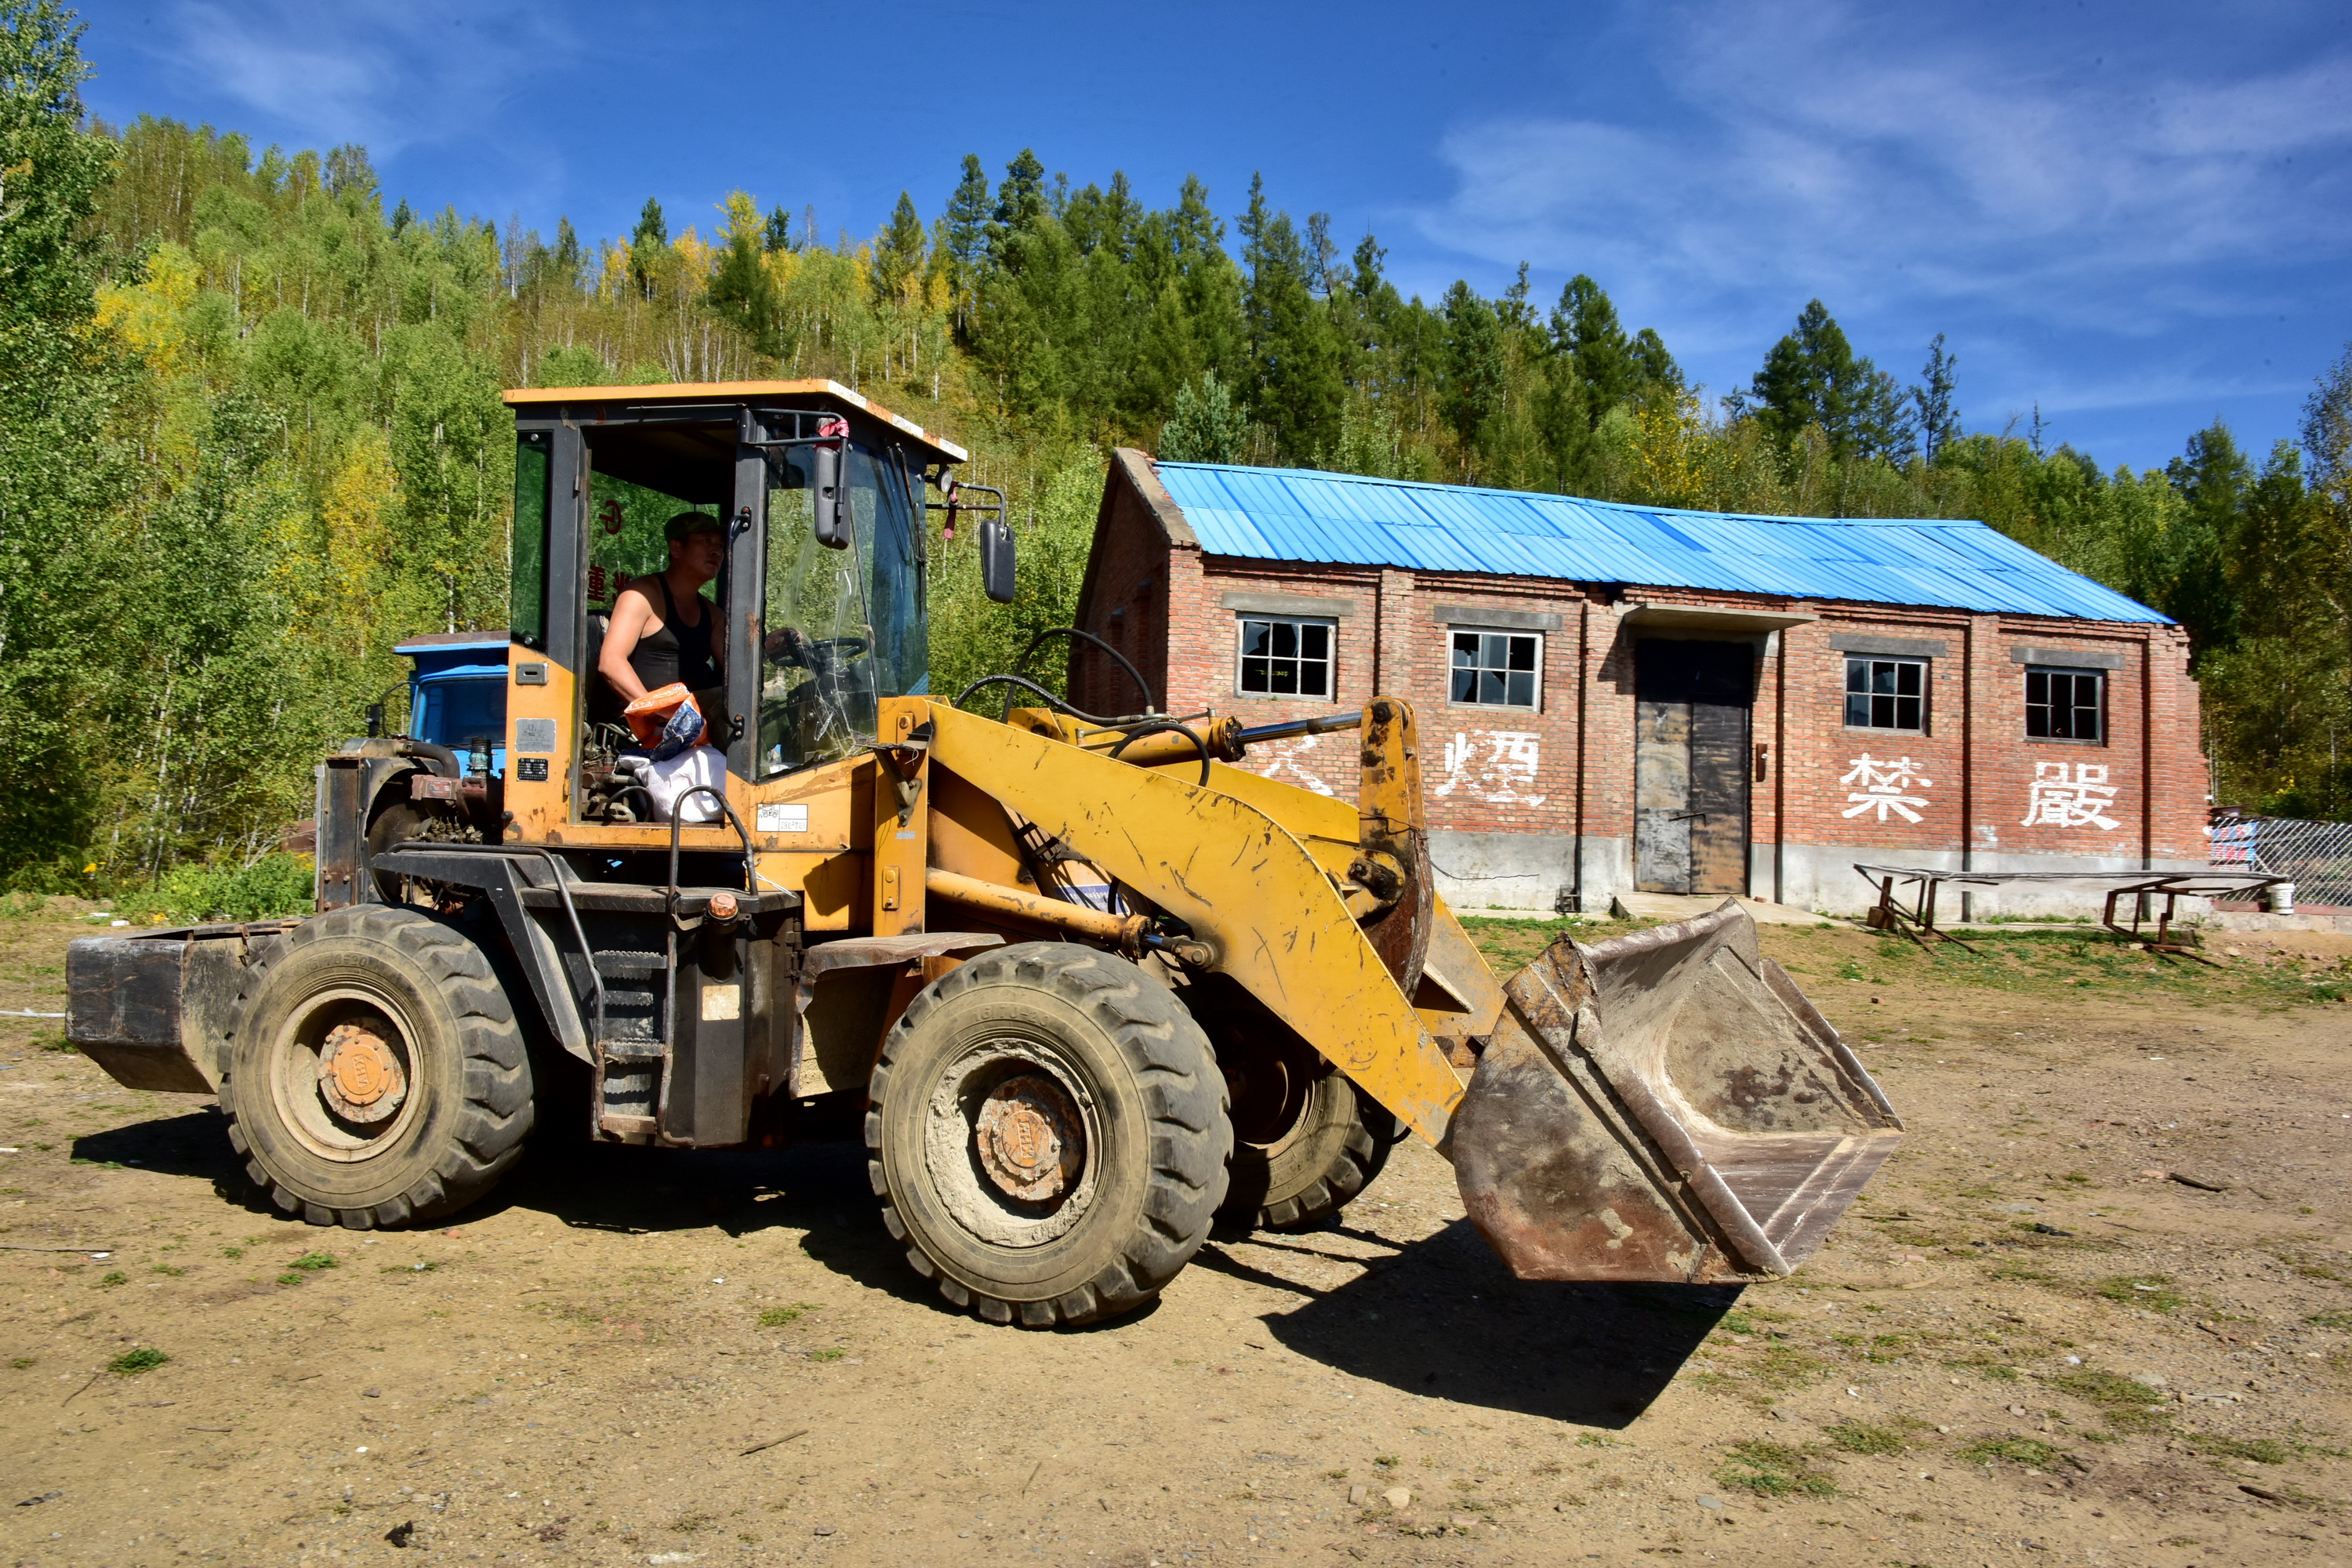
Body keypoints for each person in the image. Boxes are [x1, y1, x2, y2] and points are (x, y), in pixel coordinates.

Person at [599, 511, 727, 714]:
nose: (716, 551)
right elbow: (611, 663)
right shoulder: (641, 595)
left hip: (699, 719)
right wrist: (656, 714)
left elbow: (738, 668)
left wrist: (768, 648)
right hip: (648, 726)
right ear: (676, 549)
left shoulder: (713, 615)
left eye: (720, 545)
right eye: (706, 541)